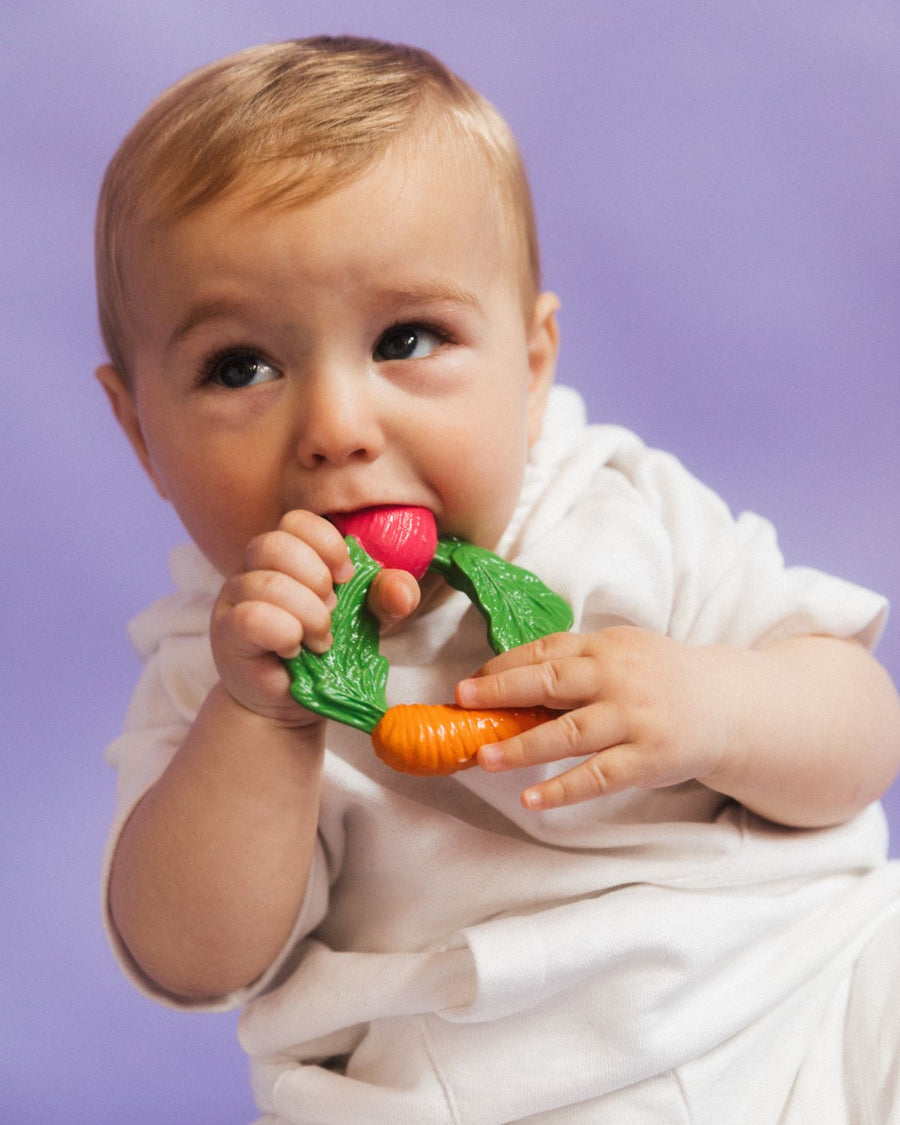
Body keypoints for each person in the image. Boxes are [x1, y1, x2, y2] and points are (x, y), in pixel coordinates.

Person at [95, 35, 900, 1123]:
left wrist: (711, 704)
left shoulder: (613, 503)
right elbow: (190, 957)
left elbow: (859, 731)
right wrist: (259, 728)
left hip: (800, 995)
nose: (337, 427)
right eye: (242, 366)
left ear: (530, 366)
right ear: (140, 430)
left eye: (407, 338)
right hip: (480, 1086)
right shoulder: (223, 661)